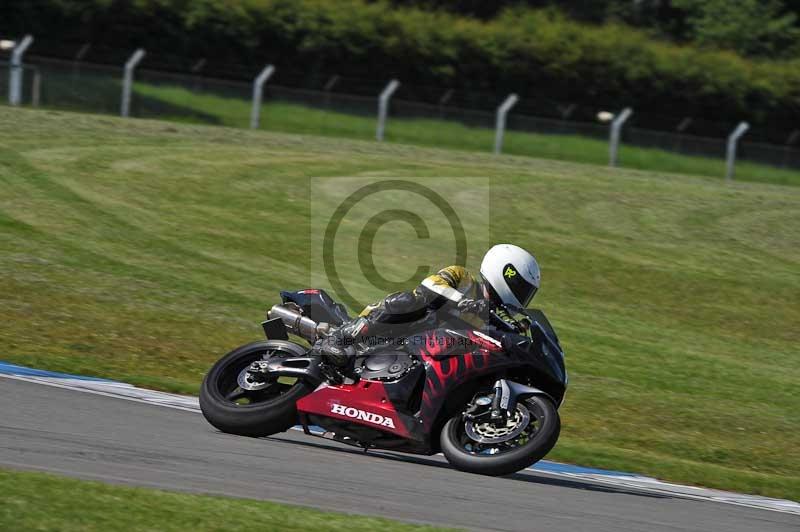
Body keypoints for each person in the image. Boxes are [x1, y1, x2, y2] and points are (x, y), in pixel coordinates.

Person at [316, 244, 541, 375]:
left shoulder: (490, 318)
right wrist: (461, 301)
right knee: (409, 301)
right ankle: (339, 338)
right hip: (396, 328)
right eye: (522, 290)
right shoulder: (463, 278)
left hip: (417, 355)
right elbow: (429, 285)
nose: (522, 298)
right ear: (506, 274)